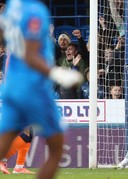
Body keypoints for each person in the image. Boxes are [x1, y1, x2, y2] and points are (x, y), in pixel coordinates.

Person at [0, 1, 83, 179]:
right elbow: (30, 55)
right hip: (31, 86)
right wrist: (57, 72)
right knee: (57, 146)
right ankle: (17, 165)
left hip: (12, 86)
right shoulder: (34, 10)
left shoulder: (12, 8)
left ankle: (18, 165)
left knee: (8, 139)